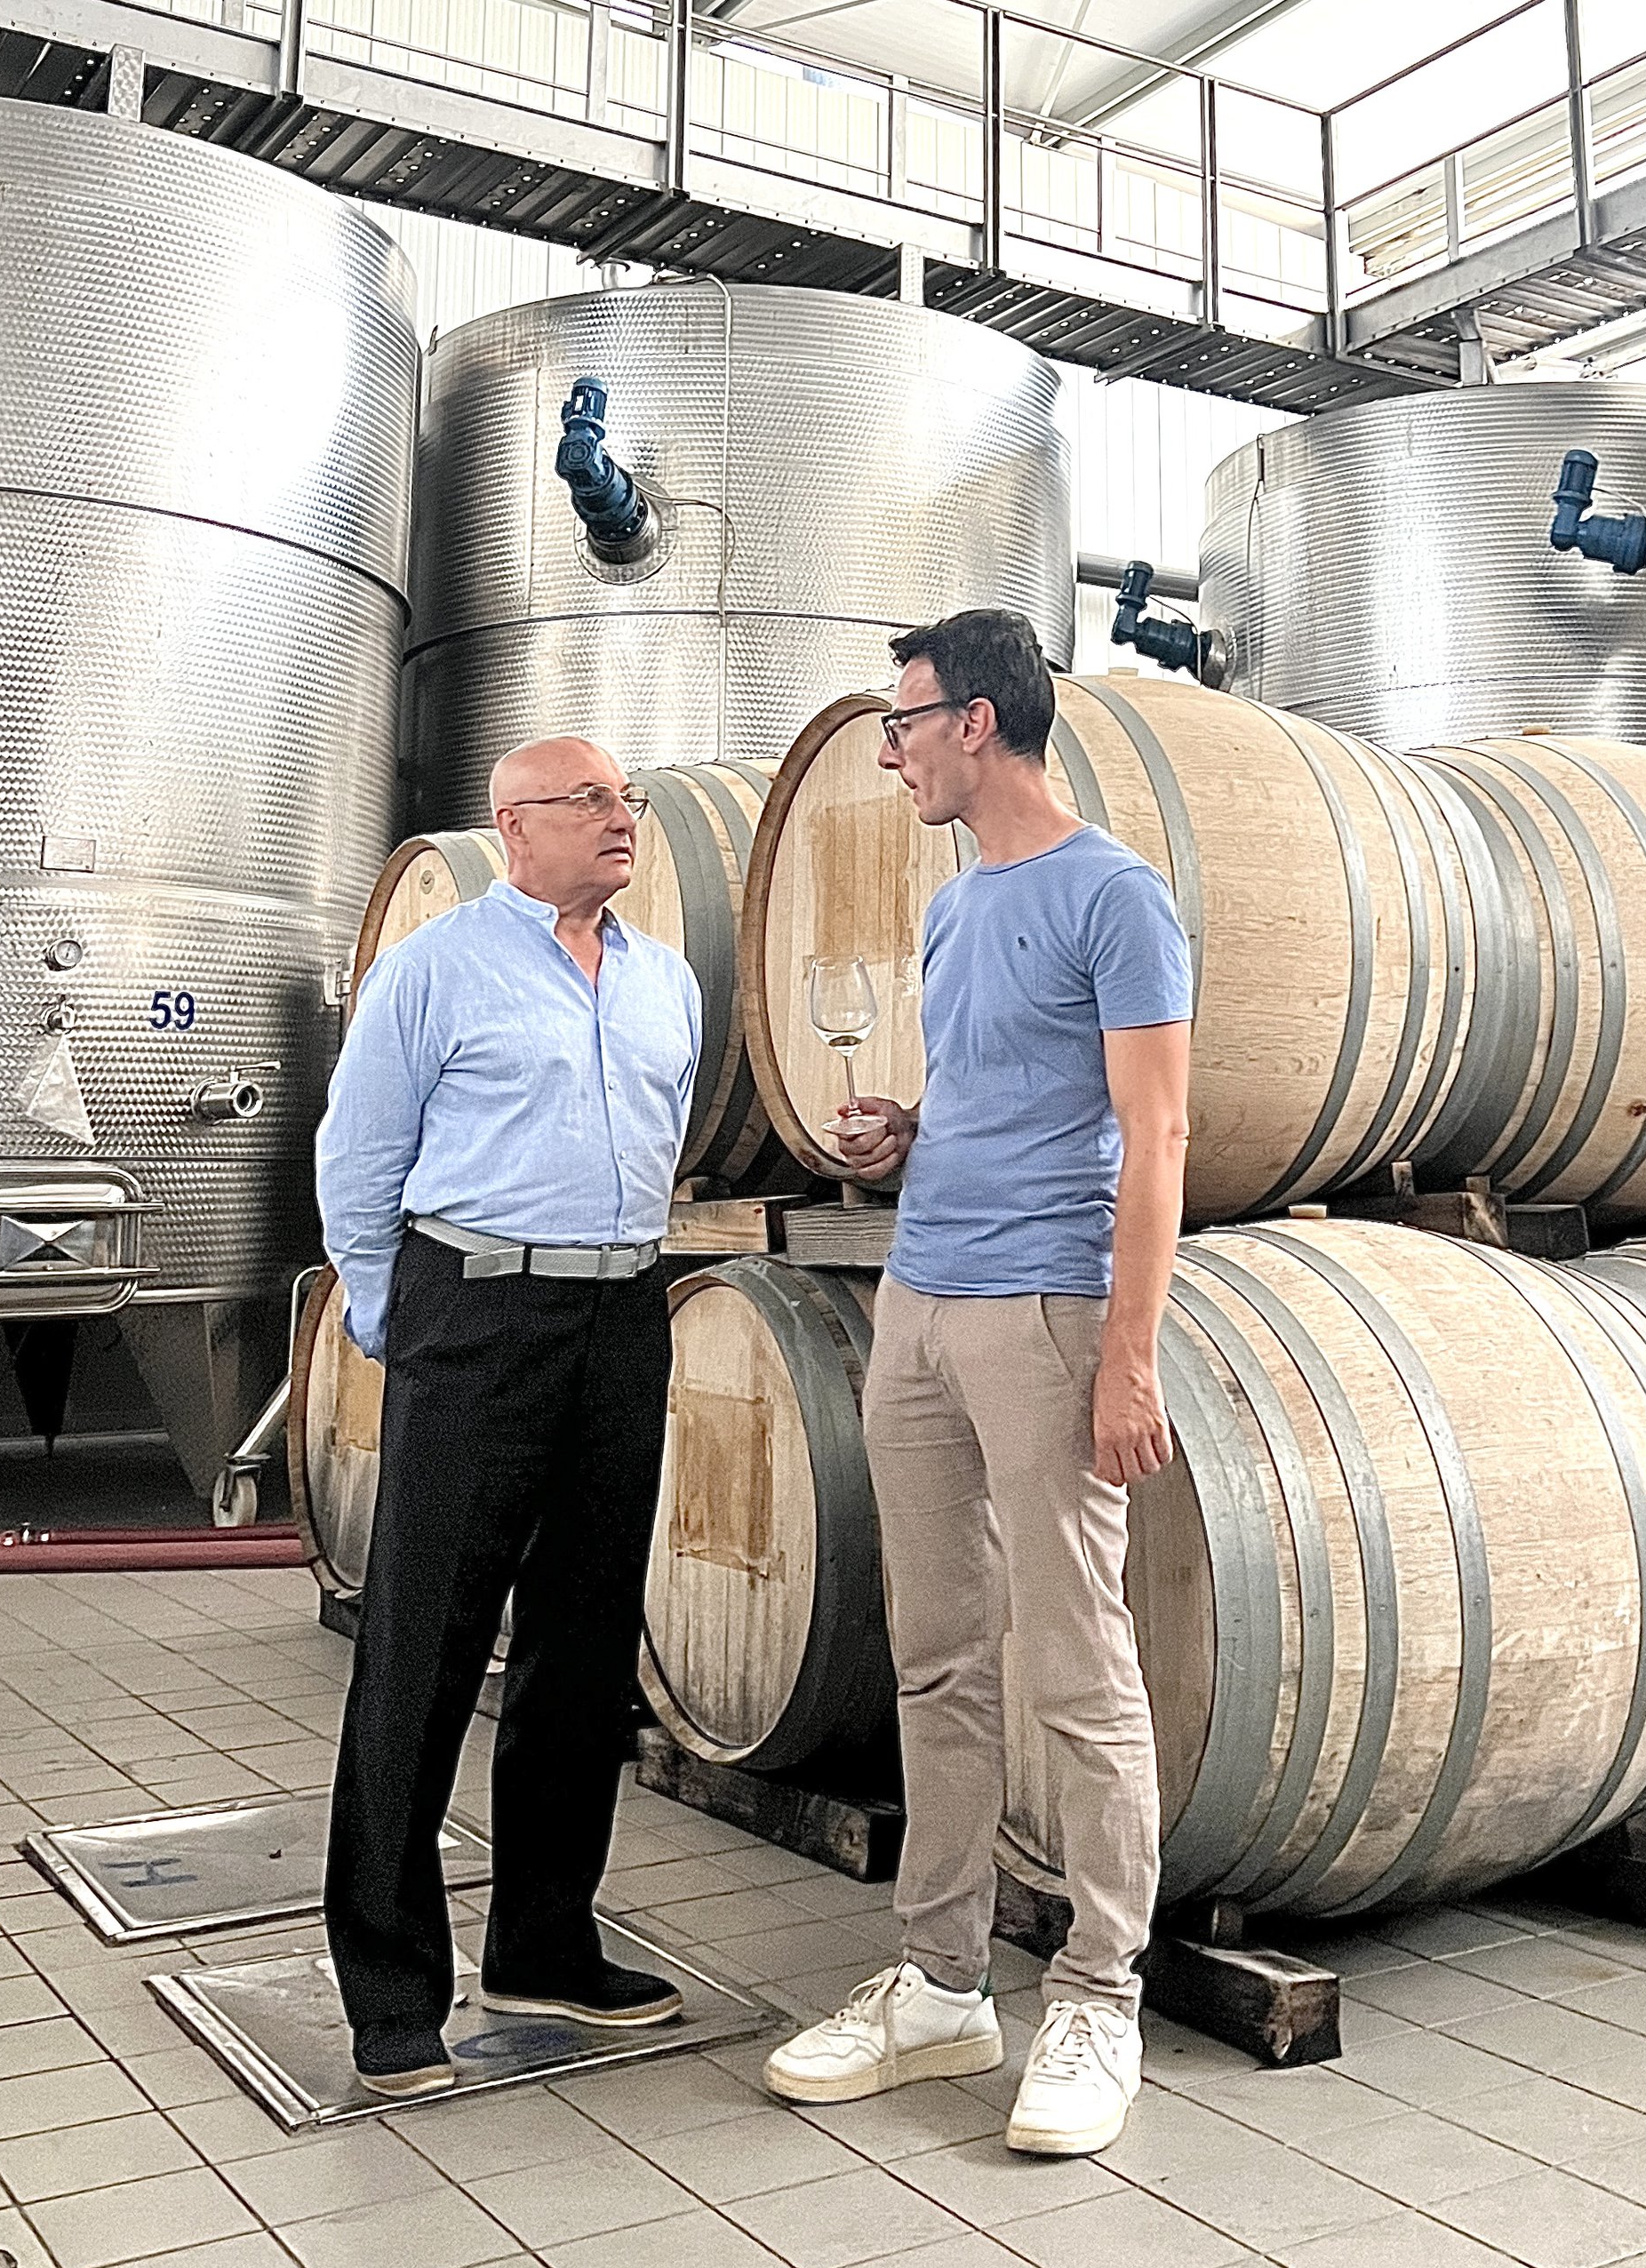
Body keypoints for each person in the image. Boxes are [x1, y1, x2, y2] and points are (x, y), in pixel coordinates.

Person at [765, 609, 1192, 2156]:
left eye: (907, 720)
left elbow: (1155, 1137)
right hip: (923, 1298)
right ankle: (945, 1979)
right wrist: (907, 1137)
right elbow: (995, 1097)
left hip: (1045, 1307)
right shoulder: (956, 907)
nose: (889, 748)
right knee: (937, 1654)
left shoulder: (1116, 898)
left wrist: (1128, 1353)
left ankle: (1100, 1987)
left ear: (984, 721)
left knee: (1075, 1664)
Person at [316, 736, 702, 2095]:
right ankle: (389, 1981)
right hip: (472, 1310)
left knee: (584, 1648)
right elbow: (356, 1154)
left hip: (620, 1316)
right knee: (423, 1647)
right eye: (591, 798)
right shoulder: (434, 967)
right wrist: (395, 1316)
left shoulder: (666, 980)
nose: (621, 817)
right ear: (511, 825)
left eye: (626, 798)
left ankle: (544, 1940)